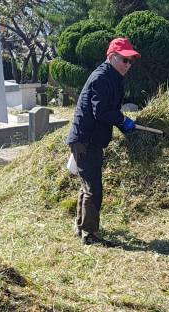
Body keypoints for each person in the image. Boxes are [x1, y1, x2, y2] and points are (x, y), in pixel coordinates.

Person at [67, 37, 140, 246]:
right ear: (112, 57)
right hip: (85, 140)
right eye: (124, 60)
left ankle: (81, 225)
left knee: (87, 185)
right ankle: (90, 234)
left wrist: (126, 127)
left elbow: (111, 111)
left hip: (94, 139)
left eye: (130, 61)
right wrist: (123, 120)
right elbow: (101, 111)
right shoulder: (101, 78)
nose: (128, 65)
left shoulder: (114, 78)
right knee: (93, 188)